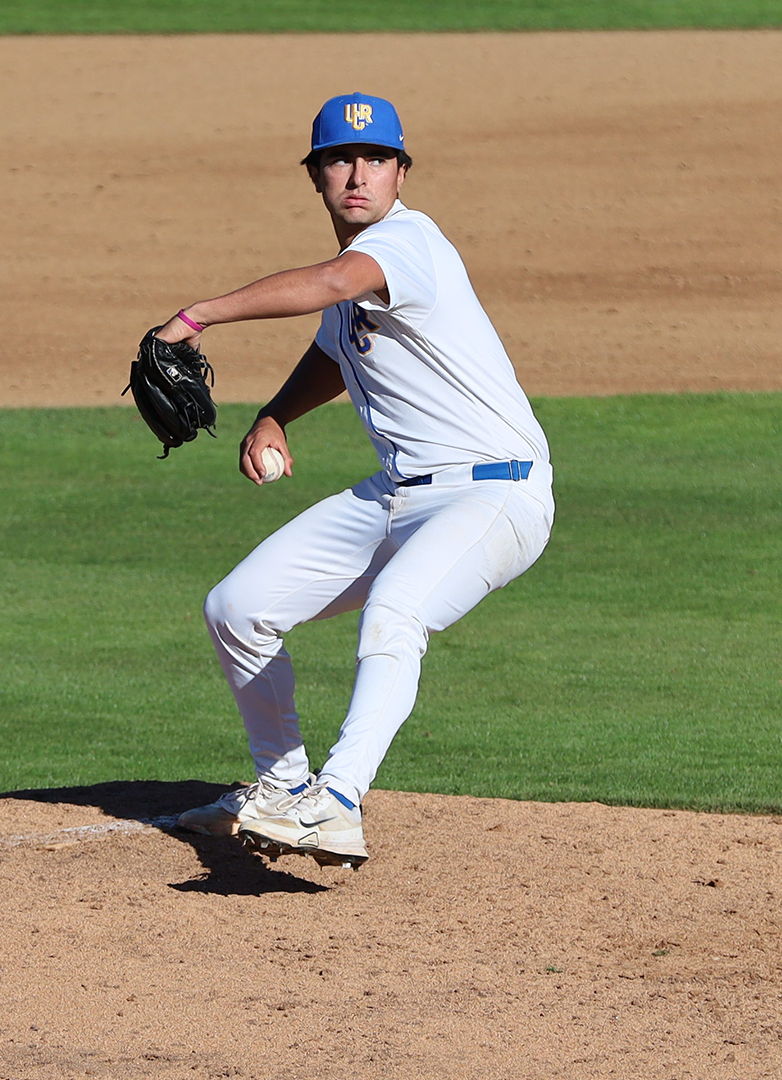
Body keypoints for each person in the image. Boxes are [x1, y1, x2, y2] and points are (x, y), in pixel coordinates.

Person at [162, 93, 555, 870]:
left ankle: (337, 803)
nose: (357, 173)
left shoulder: (406, 243)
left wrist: (197, 316)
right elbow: (338, 347)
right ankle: (282, 787)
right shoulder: (361, 273)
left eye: (376, 159)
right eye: (339, 158)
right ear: (315, 176)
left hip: (495, 492)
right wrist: (275, 415)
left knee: (395, 610)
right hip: (399, 493)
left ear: (401, 173)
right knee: (237, 608)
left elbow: (335, 285)